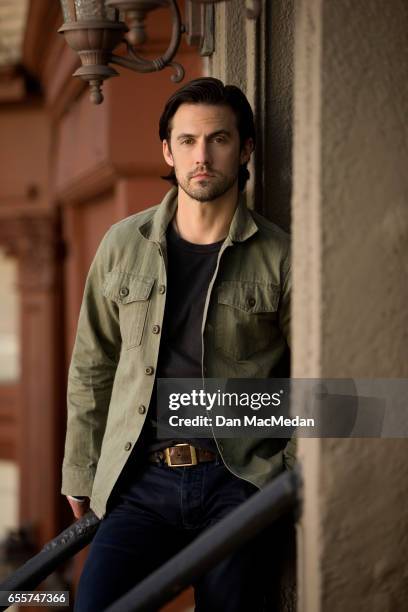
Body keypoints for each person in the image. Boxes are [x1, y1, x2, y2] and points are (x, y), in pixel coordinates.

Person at [62, 77, 295, 611]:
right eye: (187, 141)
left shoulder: (282, 258)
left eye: (218, 139)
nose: (202, 156)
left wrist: (286, 479)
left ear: (245, 149)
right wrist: (81, 468)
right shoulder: (123, 244)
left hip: (239, 480)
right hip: (140, 476)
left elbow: (312, 377)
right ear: (167, 150)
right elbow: (93, 363)